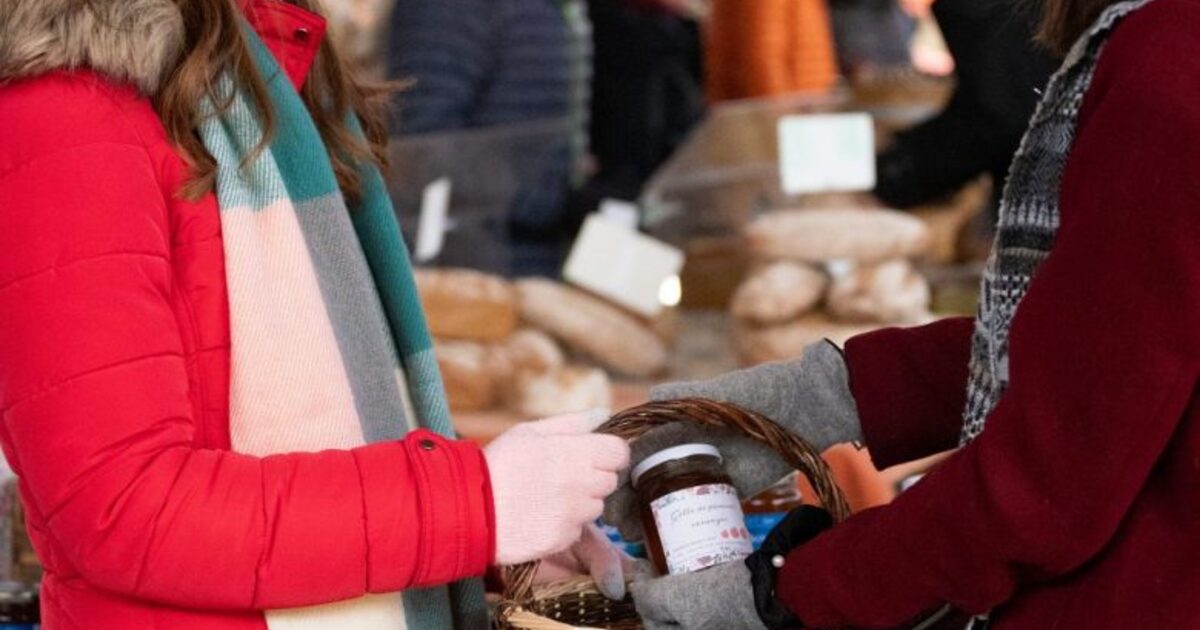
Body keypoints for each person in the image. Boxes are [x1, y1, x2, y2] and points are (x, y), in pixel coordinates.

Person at [0, 0, 630, 628]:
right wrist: (474, 502)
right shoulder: (66, 109)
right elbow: (122, 509)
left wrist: (489, 537)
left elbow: (332, 421)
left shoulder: (264, 66)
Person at [604, 0, 1200, 627]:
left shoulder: (1175, 52)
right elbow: (1108, 345)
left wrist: (787, 598)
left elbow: (1048, 487)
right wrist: (817, 398)